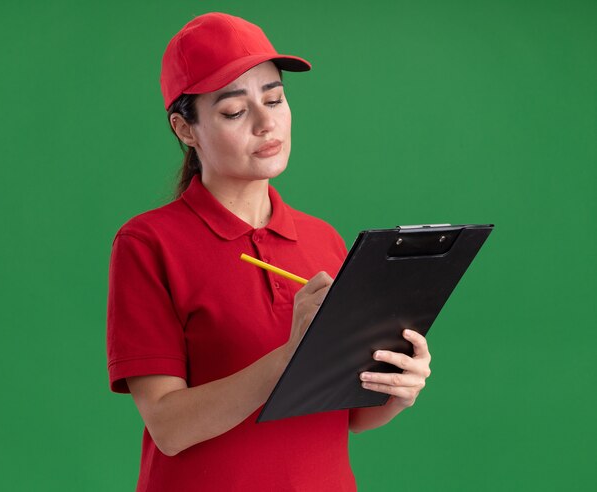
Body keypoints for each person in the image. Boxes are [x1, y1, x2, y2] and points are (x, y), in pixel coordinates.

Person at [106, 12, 432, 492]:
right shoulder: (148, 244)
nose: (266, 123)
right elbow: (169, 427)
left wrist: (398, 390)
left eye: (275, 99)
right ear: (185, 129)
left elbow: (349, 417)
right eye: (235, 111)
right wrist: (286, 359)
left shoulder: (325, 240)